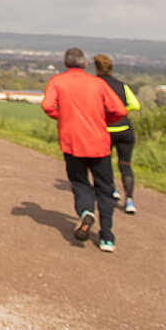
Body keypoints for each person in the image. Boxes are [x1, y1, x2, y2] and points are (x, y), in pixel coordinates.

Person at [41, 47, 128, 252]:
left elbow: (47, 105)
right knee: (104, 189)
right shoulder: (98, 83)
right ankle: (107, 236)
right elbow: (120, 110)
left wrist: (61, 116)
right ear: (85, 64)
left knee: (80, 183)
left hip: (71, 141)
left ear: (65, 63)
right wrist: (105, 120)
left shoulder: (57, 82)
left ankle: (86, 211)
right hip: (99, 142)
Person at [93, 53, 143, 214]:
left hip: (105, 130)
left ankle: (112, 189)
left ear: (96, 68)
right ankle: (129, 201)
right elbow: (135, 105)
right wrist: (121, 112)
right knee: (125, 165)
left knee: (105, 162)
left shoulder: (95, 85)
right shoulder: (122, 85)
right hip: (125, 130)